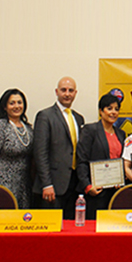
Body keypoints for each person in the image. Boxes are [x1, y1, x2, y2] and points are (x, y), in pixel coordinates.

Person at [33, 77, 84, 219]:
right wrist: (46, 184)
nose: (67, 94)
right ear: (57, 92)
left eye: (71, 90)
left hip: (74, 184)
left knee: (70, 228)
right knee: (51, 231)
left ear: (75, 93)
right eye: (63, 90)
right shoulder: (45, 116)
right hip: (53, 185)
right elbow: (40, 153)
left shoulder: (79, 118)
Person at [76, 94, 126, 219]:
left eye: (116, 109)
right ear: (101, 111)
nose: (113, 112)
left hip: (115, 191)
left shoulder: (121, 134)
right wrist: (87, 186)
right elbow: (81, 160)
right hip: (96, 191)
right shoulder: (90, 130)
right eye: (109, 108)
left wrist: (121, 179)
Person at [0, 89, 33, 208]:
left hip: (23, 185)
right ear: (4, 107)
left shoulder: (28, 128)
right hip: (2, 183)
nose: (16, 106)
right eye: (12, 103)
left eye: (19, 102)